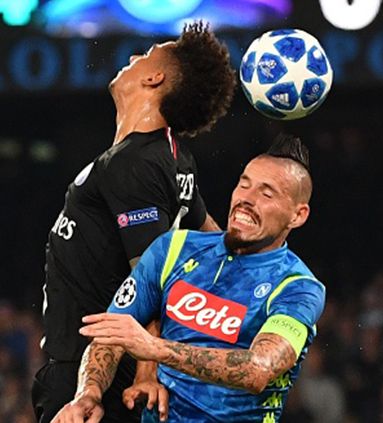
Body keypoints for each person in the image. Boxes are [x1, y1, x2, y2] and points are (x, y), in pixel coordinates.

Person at [32, 21, 236, 423]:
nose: (131, 58)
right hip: (98, 370)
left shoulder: (134, 165)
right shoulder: (172, 158)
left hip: (94, 378)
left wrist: (147, 373)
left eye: (145, 55)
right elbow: (213, 240)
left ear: (154, 77)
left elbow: (152, 276)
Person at [52, 135, 327, 423]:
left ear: (298, 216)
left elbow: (258, 370)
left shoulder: (298, 287)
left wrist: (154, 348)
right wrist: (88, 395)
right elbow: (113, 334)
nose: (246, 198)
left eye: (266, 194)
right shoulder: (174, 248)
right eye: (244, 184)